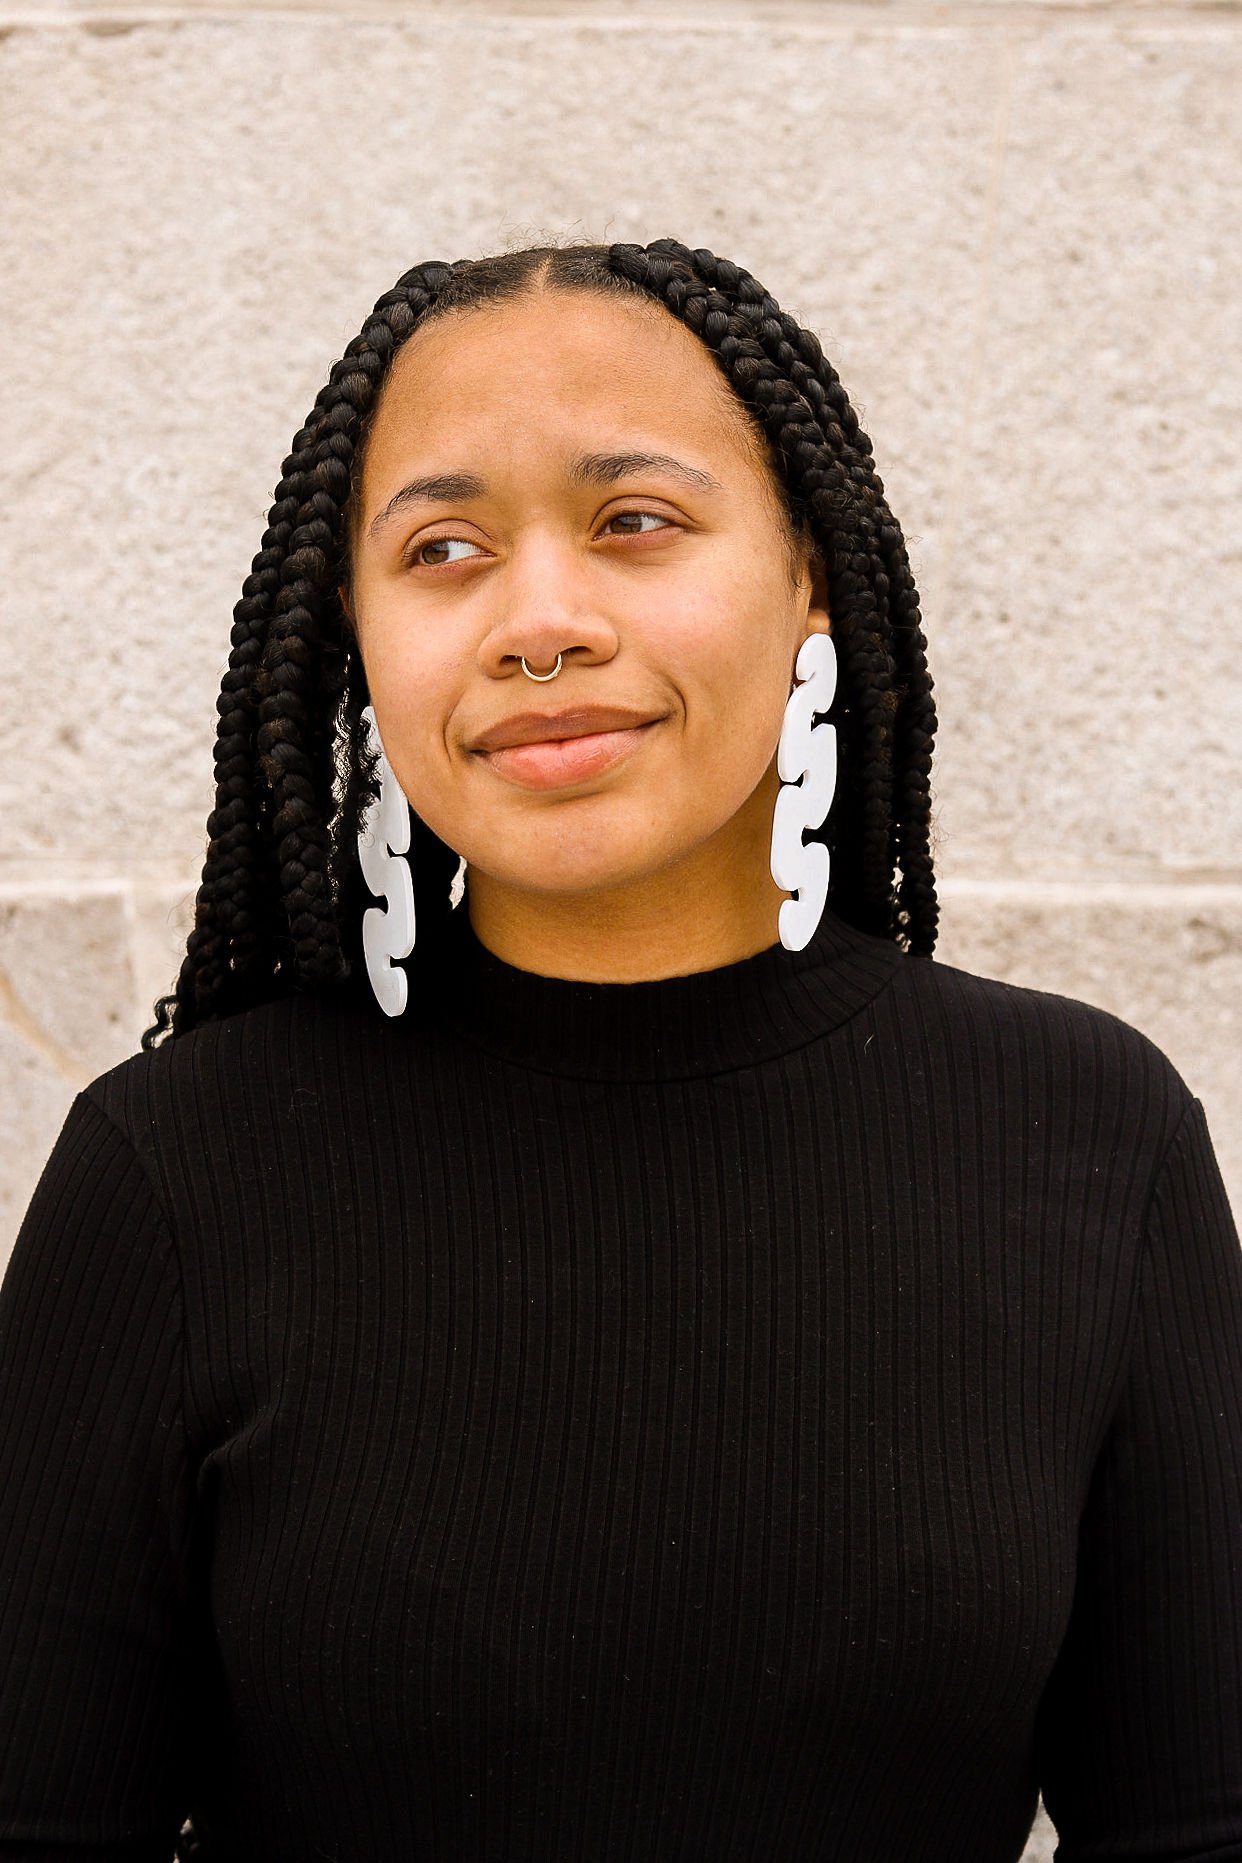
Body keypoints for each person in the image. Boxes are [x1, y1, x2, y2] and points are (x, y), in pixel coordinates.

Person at [0, 237, 1238, 1862]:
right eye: (441, 547)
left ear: (808, 574)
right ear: (354, 629)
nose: (539, 622)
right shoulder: (171, 1173)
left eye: (633, 522)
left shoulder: (1087, 1135)